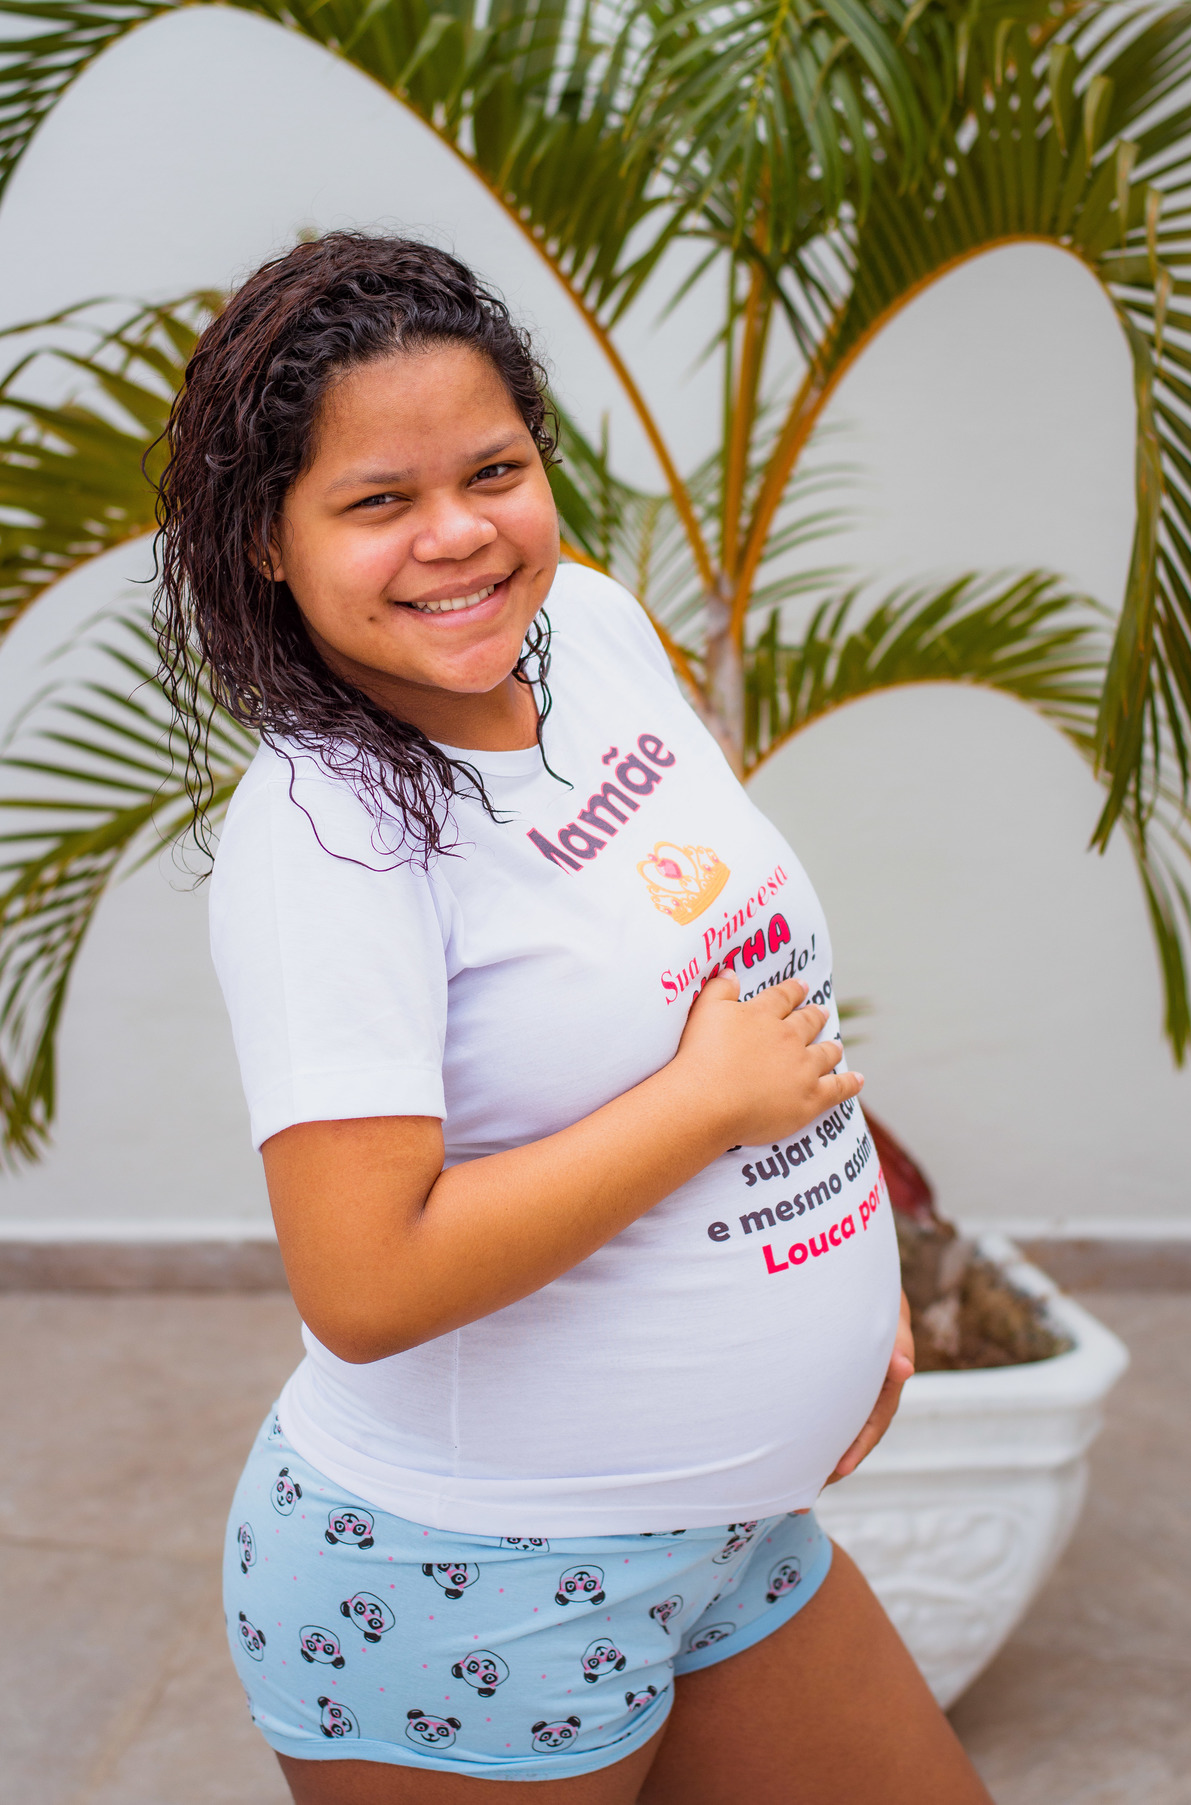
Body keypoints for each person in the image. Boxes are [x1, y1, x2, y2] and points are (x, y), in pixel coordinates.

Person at [154, 231, 992, 1805]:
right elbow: (366, 1279)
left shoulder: (592, 631)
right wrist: (704, 1107)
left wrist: (846, 1270)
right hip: (471, 1579)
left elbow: (733, 964)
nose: (458, 535)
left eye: (495, 469)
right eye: (378, 501)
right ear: (268, 538)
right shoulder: (325, 835)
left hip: (729, 1532)